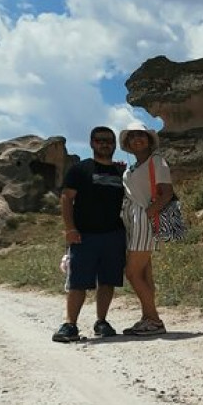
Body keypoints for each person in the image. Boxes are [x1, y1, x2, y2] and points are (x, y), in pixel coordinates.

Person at [52, 126, 126, 343]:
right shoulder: (80, 170)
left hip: (113, 234)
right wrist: (70, 229)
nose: (105, 144)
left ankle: (101, 322)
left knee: (108, 281)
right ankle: (69, 325)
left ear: (114, 144)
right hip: (84, 235)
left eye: (109, 140)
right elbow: (66, 198)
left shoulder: (121, 172)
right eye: (100, 140)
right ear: (92, 143)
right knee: (78, 282)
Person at [119, 122, 173, 336]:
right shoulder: (131, 168)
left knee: (132, 273)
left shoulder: (157, 162)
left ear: (149, 140)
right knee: (144, 273)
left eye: (141, 135)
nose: (137, 139)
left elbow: (167, 192)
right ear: (128, 143)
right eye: (132, 136)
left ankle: (155, 320)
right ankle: (147, 317)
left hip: (143, 218)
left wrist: (149, 213)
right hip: (132, 220)